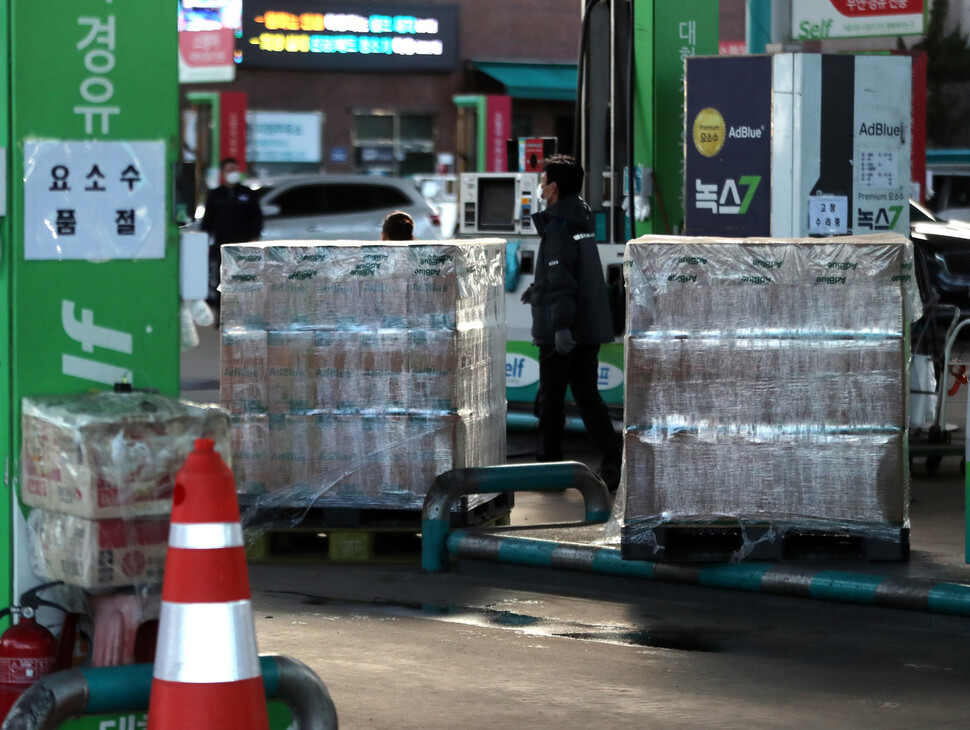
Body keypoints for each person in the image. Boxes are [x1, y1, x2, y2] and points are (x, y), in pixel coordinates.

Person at [522, 154, 622, 490]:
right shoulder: (578, 219)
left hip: (561, 330)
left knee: (551, 400)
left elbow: (561, 277)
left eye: (543, 179)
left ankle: (549, 466)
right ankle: (613, 461)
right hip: (585, 325)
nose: (539, 186)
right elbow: (566, 272)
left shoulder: (559, 226)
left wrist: (561, 324)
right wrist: (538, 289)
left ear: (554, 186)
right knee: (586, 397)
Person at [200, 158, 263, 304]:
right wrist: (205, 240)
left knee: (244, 278)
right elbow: (207, 220)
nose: (232, 173)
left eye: (234, 170)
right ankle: (221, 312)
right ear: (222, 173)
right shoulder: (215, 194)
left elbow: (257, 217)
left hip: (243, 244)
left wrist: (255, 237)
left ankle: (244, 311)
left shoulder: (248, 193)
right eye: (229, 170)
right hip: (221, 244)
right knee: (222, 278)